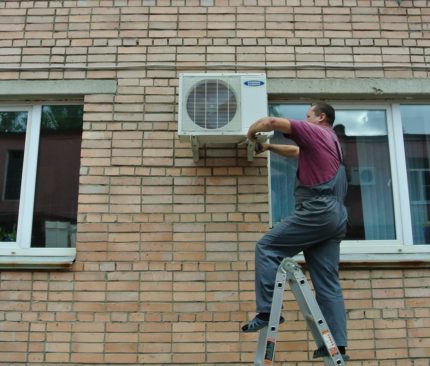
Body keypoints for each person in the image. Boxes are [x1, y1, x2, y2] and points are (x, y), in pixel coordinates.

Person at [241, 102, 349, 360]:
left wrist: (250, 135)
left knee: (267, 247)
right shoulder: (331, 141)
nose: (305, 118)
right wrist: (268, 147)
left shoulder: (317, 131)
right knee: (327, 283)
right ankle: (337, 345)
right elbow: (294, 151)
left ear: (321, 117)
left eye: (308, 115)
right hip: (335, 218)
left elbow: (272, 122)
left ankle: (268, 311)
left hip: (317, 210)